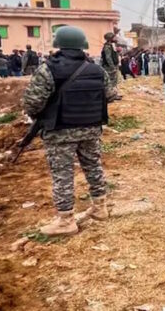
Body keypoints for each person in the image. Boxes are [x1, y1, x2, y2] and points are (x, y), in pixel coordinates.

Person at [22, 26, 112, 236]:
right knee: (93, 167)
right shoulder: (97, 70)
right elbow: (109, 94)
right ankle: (100, 207)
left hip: (60, 131)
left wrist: (42, 114)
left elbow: (32, 103)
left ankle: (65, 221)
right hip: (91, 128)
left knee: (62, 174)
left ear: (59, 44)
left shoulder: (48, 69)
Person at [101, 32, 121, 100]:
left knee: (115, 81)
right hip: (109, 67)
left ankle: (114, 94)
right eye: (114, 37)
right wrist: (112, 67)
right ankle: (110, 96)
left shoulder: (112, 46)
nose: (116, 38)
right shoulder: (107, 46)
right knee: (110, 81)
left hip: (113, 66)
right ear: (110, 38)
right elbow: (108, 58)